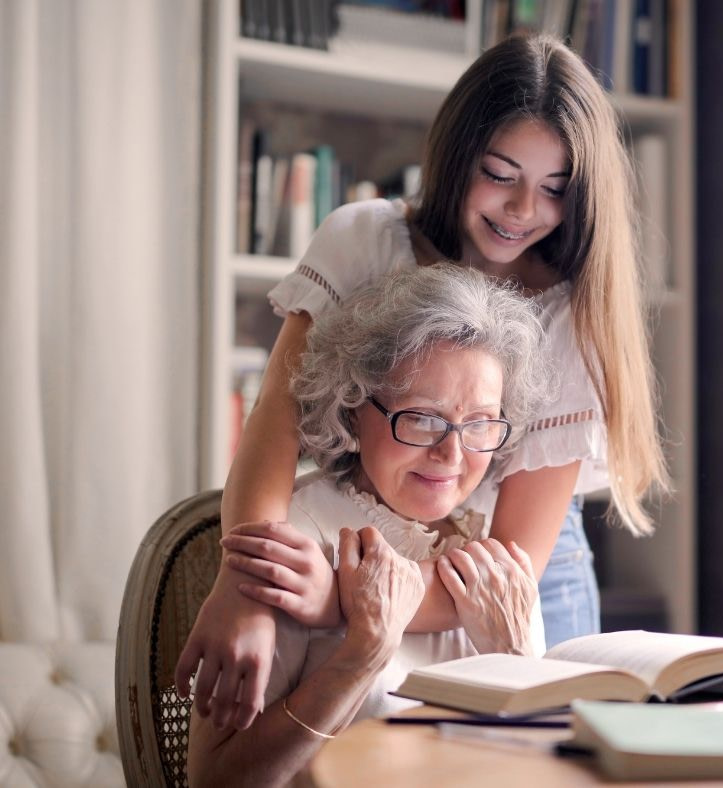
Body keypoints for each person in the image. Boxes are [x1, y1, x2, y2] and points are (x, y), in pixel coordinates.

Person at [177, 31, 668, 731]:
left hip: (516, 575)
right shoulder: (364, 241)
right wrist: (246, 586)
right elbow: (273, 432)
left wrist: (336, 601)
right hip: (365, 537)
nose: (523, 210)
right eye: (500, 174)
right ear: (456, 155)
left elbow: (515, 561)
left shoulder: (570, 313)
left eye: (554, 189)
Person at [188, 266, 545, 786]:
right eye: (423, 417)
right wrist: (359, 658)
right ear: (354, 408)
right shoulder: (294, 541)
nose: (452, 453)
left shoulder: (495, 560)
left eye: (480, 424)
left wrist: (515, 660)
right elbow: (215, 779)